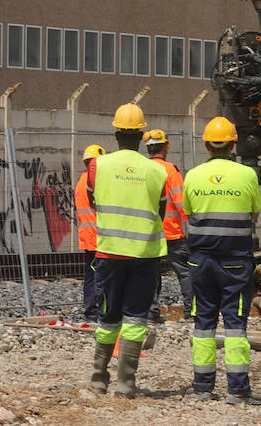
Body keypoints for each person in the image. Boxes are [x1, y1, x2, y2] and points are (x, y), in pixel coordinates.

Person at [87, 103, 168, 398]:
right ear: (141, 134)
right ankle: (126, 384)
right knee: (135, 318)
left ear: (116, 131)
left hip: (109, 252)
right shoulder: (156, 170)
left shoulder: (98, 165)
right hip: (145, 255)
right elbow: (159, 208)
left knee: (108, 318)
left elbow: (93, 199)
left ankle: (98, 379)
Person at [183, 116, 261, 405]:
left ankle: (202, 388)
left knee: (203, 323)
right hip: (235, 262)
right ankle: (238, 389)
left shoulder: (192, 175)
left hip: (201, 261)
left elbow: (189, 212)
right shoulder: (247, 175)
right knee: (235, 324)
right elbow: (254, 215)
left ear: (206, 144)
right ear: (233, 144)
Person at [143, 128, 192, 322]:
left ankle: (151, 313)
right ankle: (191, 312)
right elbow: (181, 202)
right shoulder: (170, 170)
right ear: (165, 147)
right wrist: (193, 225)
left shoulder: (143, 169)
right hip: (171, 232)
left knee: (150, 274)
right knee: (185, 273)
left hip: (149, 233)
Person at [75, 144, 105, 323]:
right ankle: (95, 311)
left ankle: (91, 309)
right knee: (100, 276)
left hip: (88, 235)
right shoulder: (93, 182)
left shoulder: (81, 180)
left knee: (91, 275)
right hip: (98, 236)